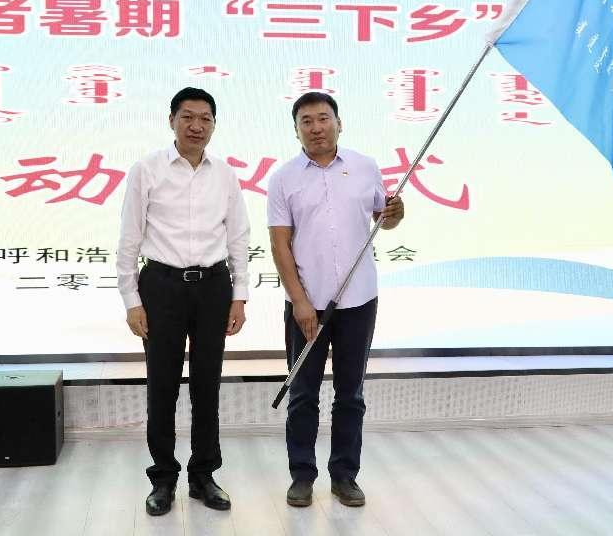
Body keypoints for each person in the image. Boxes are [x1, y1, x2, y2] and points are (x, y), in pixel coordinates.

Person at [116, 87, 250, 516]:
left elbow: (239, 237)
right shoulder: (147, 169)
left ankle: (203, 475)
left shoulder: (225, 174)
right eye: (188, 117)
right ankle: (163, 478)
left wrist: (240, 296)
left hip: (213, 286)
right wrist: (131, 300)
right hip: (161, 286)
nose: (197, 126)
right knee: (162, 386)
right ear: (171, 120)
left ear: (214, 125)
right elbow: (129, 238)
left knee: (207, 385)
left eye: (205, 118)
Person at [267, 91, 404, 508]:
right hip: (307, 303)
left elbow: (385, 219)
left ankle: (344, 476)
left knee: (351, 394)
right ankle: (301, 476)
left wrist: (395, 213)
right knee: (303, 394)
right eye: (306, 121)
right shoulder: (284, 178)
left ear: (339, 123)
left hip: (359, 300)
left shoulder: (365, 167)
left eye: (323, 118)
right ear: (296, 130)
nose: (316, 128)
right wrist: (299, 301)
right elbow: (279, 244)